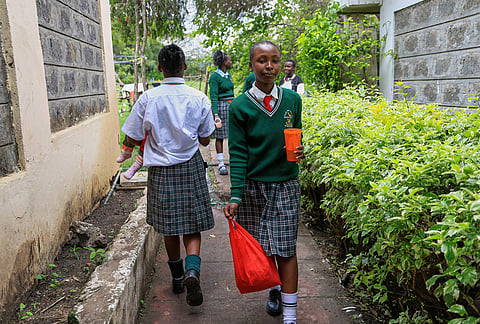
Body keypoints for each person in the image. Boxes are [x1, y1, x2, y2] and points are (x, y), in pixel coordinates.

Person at [121, 44, 215, 307]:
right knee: (192, 226)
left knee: (169, 228)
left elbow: (133, 134)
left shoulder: (148, 98)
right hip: (191, 167)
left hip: (161, 171)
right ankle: (192, 272)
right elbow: (206, 140)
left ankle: (177, 278)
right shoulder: (199, 98)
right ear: (184, 67)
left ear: (160, 69)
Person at [224, 40, 304, 324]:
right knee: (262, 247)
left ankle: (290, 317)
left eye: (274, 60)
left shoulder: (293, 100)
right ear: (251, 65)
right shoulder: (240, 107)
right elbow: (238, 151)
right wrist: (235, 195)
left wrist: (299, 151)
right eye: (262, 60)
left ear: (281, 64)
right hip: (253, 186)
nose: (268, 66)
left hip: (285, 184)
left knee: (286, 248)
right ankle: (275, 287)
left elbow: (296, 136)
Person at [209, 50, 235, 175]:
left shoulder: (228, 75)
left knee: (233, 135)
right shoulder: (214, 76)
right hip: (221, 107)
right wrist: (216, 114)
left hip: (231, 106)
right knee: (219, 136)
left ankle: (234, 160)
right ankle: (220, 164)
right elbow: (213, 96)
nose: (231, 62)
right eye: (229, 60)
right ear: (224, 62)